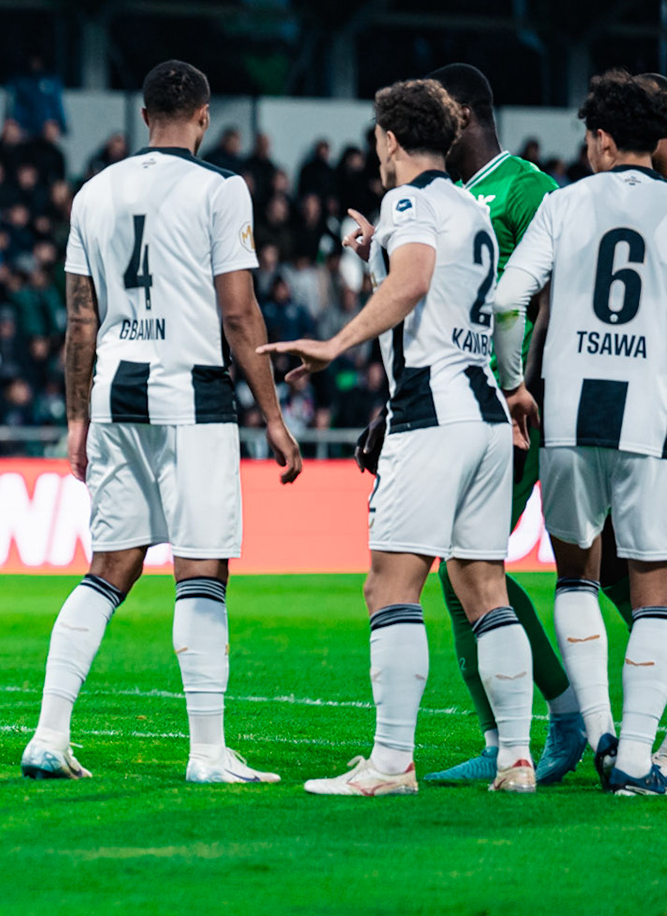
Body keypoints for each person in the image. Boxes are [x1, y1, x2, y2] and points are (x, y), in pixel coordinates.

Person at [21, 61, 301, 785]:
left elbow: (80, 319)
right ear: (203, 116)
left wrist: (76, 419)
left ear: (144, 116)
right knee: (201, 570)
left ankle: (48, 735)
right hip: (193, 395)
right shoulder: (220, 189)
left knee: (109, 567)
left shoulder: (93, 192)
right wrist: (273, 416)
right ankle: (207, 753)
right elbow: (238, 310)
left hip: (115, 394)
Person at [266, 78, 536, 796]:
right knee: (484, 588)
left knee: (389, 585)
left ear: (388, 139)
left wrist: (334, 343)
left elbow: (414, 282)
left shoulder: (407, 203)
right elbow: (457, 296)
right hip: (484, 414)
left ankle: (390, 763)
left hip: (430, 414)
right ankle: (516, 759)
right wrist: (372, 253)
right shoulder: (471, 209)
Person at [409, 62, 589, 785]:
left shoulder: (527, 189)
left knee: (481, 567)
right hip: (458, 400)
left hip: (518, 407)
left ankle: (568, 716)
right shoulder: (447, 199)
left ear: (462, 114)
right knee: (463, 571)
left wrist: (527, 388)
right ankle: (505, 733)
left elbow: (552, 296)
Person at [490, 71, 667, 795]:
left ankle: (600, 733)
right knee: (653, 593)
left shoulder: (562, 205)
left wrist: (514, 385)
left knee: (575, 578)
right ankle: (636, 762)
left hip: (566, 418)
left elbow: (508, 300)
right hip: (648, 420)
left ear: (601, 139)